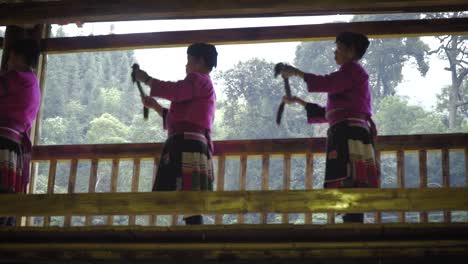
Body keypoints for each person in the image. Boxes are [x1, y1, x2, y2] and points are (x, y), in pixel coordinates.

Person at [280, 32, 379, 223]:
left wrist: (296, 73)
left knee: (351, 185)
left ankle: (354, 230)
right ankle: (352, 226)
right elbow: (330, 113)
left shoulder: (353, 71)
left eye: (339, 48)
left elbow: (327, 82)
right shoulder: (349, 75)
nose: (335, 53)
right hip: (346, 132)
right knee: (348, 185)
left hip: (350, 134)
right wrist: (299, 101)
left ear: (350, 51)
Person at [133, 43, 217, 225]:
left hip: (187, 144)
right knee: (189, 197)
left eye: (188, 61)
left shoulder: (199, 79)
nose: (186, 66)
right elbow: (177, 118)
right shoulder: (200, 85)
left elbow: (176, 91)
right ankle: (193, 235)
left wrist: (148, 80)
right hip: (188, 142)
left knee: (188, 198)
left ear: (200, 61)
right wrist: (155, 106)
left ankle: (194, 238)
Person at [0, 38, 41, 226]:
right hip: (13, 146)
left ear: (17, 56)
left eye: (10, 57)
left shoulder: (16, 78)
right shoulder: (32, 81)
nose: (7, 62)